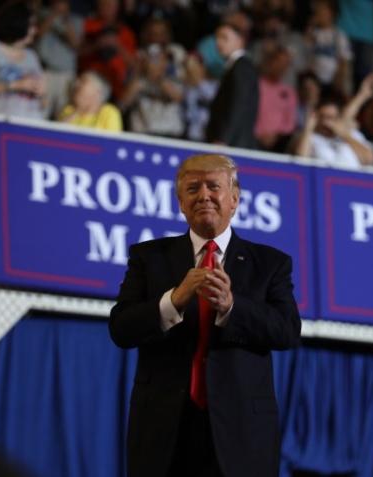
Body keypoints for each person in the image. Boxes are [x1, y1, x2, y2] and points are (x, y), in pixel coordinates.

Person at [109, 153, 301, 477]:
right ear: (181, 202)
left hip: (241, 432)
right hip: (163, 429)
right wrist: (173, 300)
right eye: (193, 188)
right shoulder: (148, 257)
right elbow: (121, 328)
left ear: (235, 199)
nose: (204, 196)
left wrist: (231, 306)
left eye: (214, 186)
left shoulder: (270, 264)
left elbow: (286, 331)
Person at [205, 20, 259, 149]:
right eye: (217, 37)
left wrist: (223, 139)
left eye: (224, 38)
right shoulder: (235, 66)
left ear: (240, 41)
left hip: (232, 145)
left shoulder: (242, 67)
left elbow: (238, 104)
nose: (218, 42)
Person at [293, 94, 373, 168]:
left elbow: (369, 159)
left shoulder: (353, 134)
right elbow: (301, 159)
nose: (326, 122)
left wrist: (345, 135)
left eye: (331, 118)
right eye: (322, 117)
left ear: (338, 118)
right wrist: (308, 128)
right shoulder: (311, 138)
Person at [58, 70, 122, 131]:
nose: (76, 84)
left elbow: (111, 141)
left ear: (97, 92)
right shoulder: (68, 110)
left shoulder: (109, 112)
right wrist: (76, 112)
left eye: (83, 81)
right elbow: (58, 136)